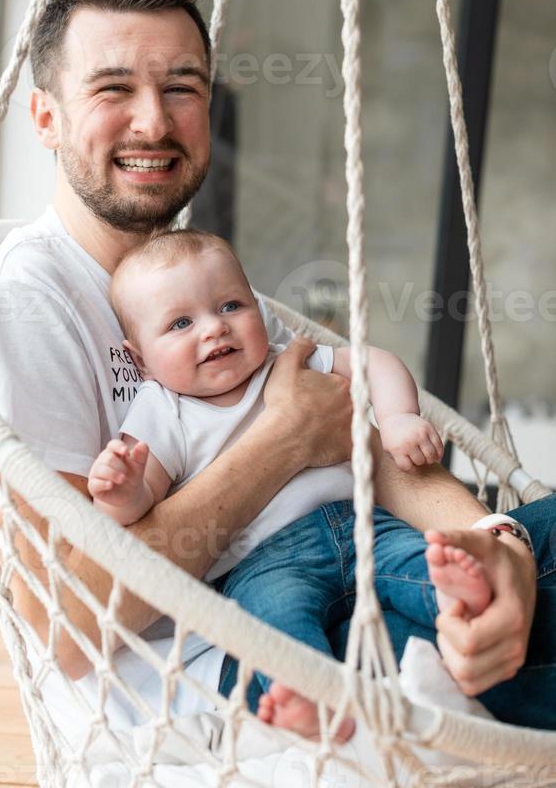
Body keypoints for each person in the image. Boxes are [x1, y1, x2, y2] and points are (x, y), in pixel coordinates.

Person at [0, 0, 548, 733]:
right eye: (113, 88)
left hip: (376, 565)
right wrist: (286, 436)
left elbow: (366, 443)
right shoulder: (21, 305)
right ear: (45, 118)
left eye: (182, 89)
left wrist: (496, 548)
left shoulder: (216, 291)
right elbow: (71, 614)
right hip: (232, 657)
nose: (154, 122)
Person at [88, 227, 499, 738]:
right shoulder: (162, 412)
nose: (214, 329)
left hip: (362, 524)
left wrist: (397, 418)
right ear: (140, 359)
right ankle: (314, 703)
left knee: (417, 563)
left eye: (231, 305)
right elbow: (141, 506)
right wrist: (122, 490)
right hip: (259, 562)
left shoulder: (285, 362)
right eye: (180, 323)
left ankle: (465, 601)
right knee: (274, 623)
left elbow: (376, 363)